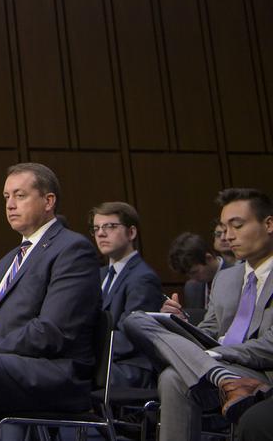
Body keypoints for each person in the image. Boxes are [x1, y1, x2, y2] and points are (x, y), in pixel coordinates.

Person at [123, 188, 273, 439]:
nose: (228, 237)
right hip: (216, 366)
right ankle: (224, 380)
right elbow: (209, 330)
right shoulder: (226, 278)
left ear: (268, 224)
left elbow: (270, 344)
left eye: (237, 225)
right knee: (136, 319)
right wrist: (183, 327)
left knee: (173, 376)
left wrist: (212, 354)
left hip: (257, 372)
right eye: (224, 228)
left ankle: (222, 376)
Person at [0, 162, 101, 441]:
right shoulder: (5, 262)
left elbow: (51, 331)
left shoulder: (72, 249)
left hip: (53, 372)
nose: (10, 205)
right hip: (2, 364)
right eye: (6, 197)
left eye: (20, 195)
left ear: (48, 201)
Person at [90, 201, 162, 386]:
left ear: (131, 232)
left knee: (66, 377)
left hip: (130, 366)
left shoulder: (143, 277)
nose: (101, 233)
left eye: (110, 226)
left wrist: (88, 353)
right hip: (106, 361)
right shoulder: (100, 275)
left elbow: (132, 337)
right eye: (96, 228)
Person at [169, 231, 223, 311]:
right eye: (188, 274)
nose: (193, 279)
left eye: (194, 272)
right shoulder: (191, 287)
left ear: (208, 258)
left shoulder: (238, 276)